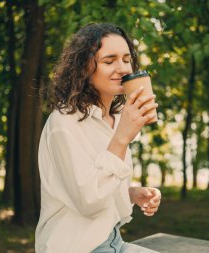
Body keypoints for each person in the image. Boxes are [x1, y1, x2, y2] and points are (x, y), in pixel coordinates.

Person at [36, 23, 162, 253]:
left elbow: (98, 182)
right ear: (84, 67)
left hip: (112, 241)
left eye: (126, 59)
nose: (122, 68)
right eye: (109, 60)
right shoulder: (63, 123)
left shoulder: (115, 118)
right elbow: (88, 202)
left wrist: (131, 194)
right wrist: (122, 138)